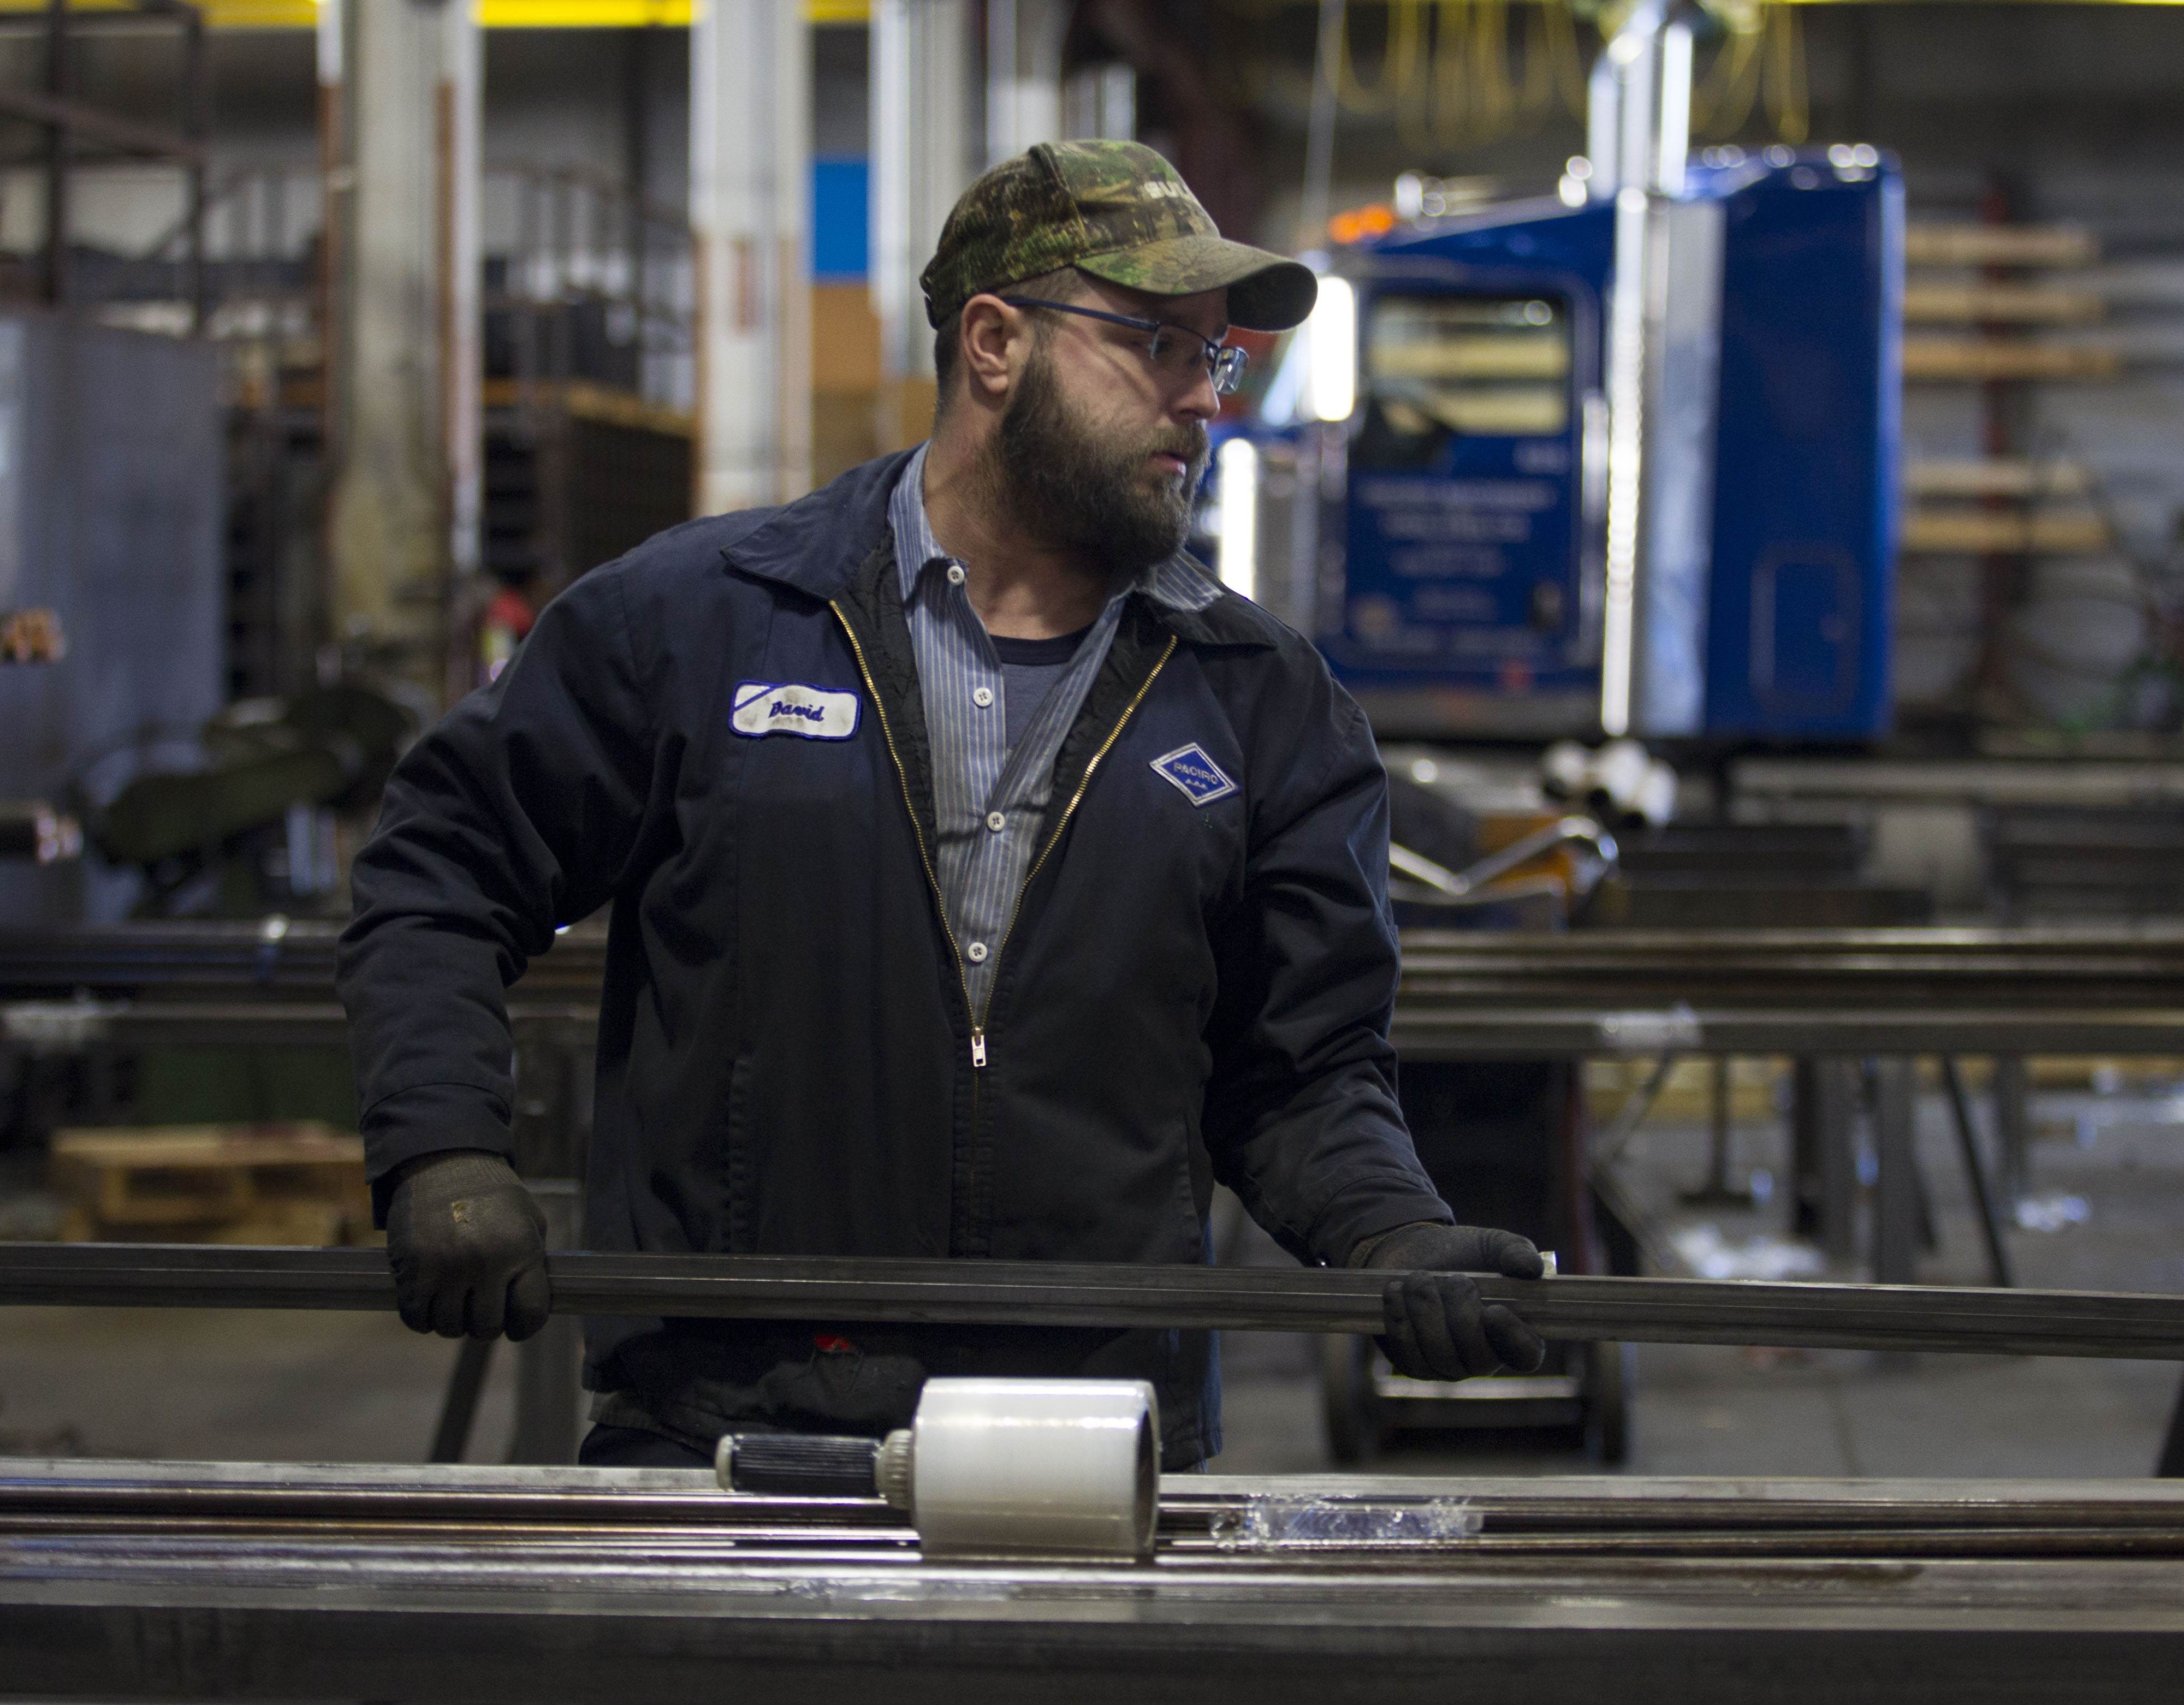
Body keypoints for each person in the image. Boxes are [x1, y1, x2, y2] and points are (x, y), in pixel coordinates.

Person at [340, 139, 1546, 1472]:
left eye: (1215, 359)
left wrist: (1391, 1230)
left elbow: (1303, 1068)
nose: (1202, 400)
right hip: (731, 1426)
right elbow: (441, 867)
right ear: (993, 345)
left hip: (1085, 1445)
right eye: (1154, 343)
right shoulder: (709, 623)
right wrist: (445, 1149)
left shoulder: (1262, 701)